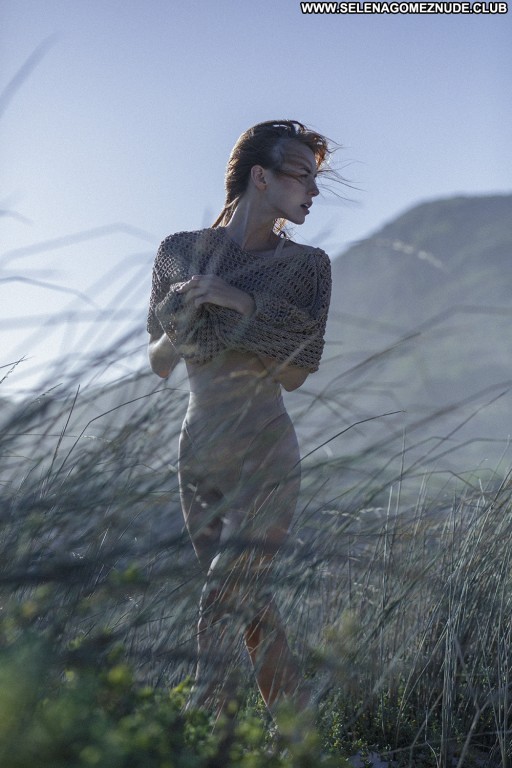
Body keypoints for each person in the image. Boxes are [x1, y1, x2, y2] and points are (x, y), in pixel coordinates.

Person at [147, 120, 333, 718]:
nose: (313, 191)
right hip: (198, 448)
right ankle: (299, 734)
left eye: (315, 179)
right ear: (261, 176)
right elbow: (159, 362)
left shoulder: (307, 266)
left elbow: (296, 373)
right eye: (301, 175)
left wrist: (240, 302)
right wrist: (182, 314)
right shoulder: (179, 251)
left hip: (265, 448)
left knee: (220, 597)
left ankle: (208, 732)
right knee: (248, 602)